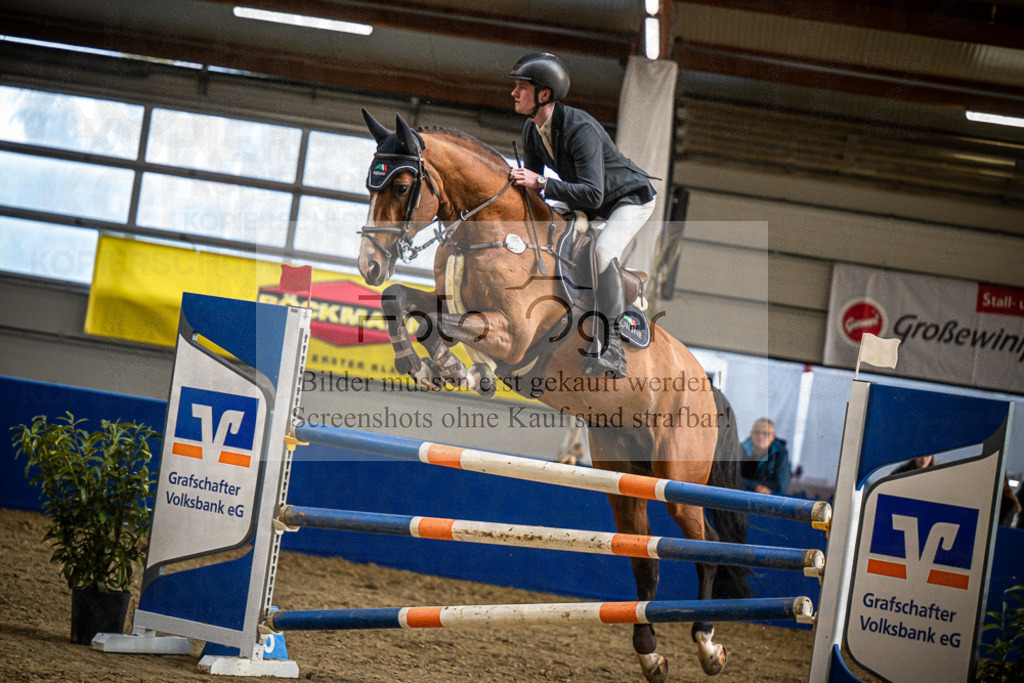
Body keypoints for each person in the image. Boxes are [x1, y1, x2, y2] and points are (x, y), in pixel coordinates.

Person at [507, 52, 657, 379]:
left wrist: (543, 182)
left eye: (522, 87)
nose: (514, 94)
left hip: (626, 199)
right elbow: (531, 188)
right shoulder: (532, 129)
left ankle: (615, 347)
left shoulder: (580, 128)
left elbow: (592, 192)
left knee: (603, 253)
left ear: (544, 95)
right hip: (589, 200)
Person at [739, 418, 791, 495]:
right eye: (757, 433)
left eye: (765, 433)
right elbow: (731, 479)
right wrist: (755, 486)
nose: (760, 437)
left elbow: (781, 487)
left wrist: (747, 484)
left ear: (773, 436)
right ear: (751, 434)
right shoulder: (740, 450)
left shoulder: (781, 453)